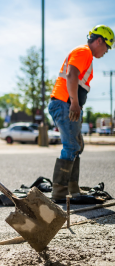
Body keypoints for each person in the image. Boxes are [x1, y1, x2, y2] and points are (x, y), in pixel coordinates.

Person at [48, 25, 114, 201]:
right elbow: (71, 75)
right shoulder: (84, 51)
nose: (107, 51)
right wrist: (75, 103)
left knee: (77, 146)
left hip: (66, 104)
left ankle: (72, 189)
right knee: (71, 146)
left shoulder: (86, 54)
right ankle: (60, 192)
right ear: (99, 40)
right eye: (107, 46)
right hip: (65, 103)